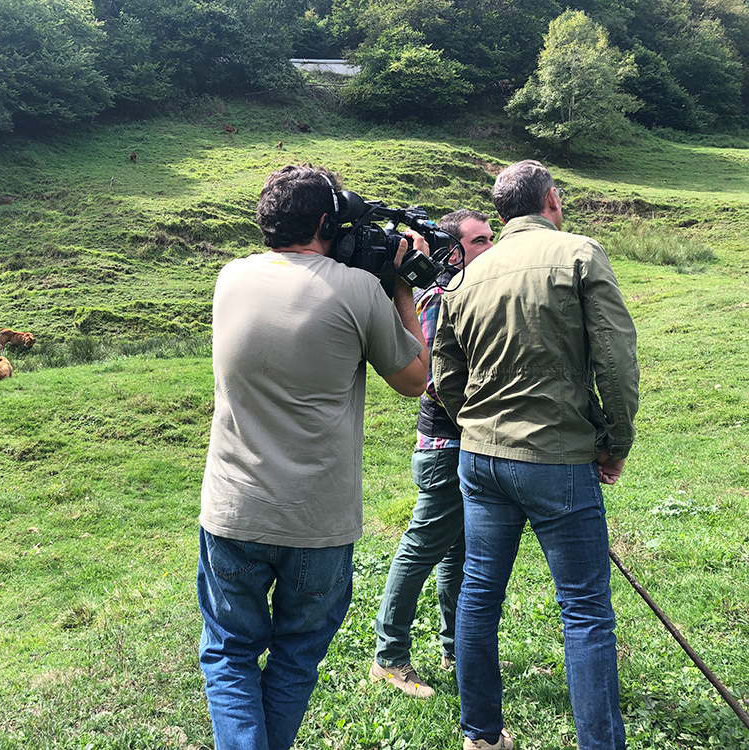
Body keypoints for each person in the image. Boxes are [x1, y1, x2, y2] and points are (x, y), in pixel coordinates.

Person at [198, 164, 431, 750]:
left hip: (234, 508)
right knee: (297, 656)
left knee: (229, 653)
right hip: (318, 520)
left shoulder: (231, 278)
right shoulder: (357, 291)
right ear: (328, 223)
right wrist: (398, 284)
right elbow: (416, 379)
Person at [433, 160, 639, 750]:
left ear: (500, 212)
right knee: (585, 612)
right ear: (550, 198)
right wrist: (614, 441)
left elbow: (445, 372)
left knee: (479, 595)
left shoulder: (467, 276)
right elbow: (616, 362)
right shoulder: (579, 253)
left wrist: (473, 421)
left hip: (480, 459)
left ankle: (482, 737)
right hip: (557, 461)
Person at [369, 209, 494, 699]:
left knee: (455, 555)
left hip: (460, 443)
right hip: (447, 446)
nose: (491, 247)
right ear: (452, 251)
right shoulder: (442, 298)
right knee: (422, 548)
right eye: (480, 241)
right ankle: (389, 656)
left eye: (492, 238)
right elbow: (436, 381)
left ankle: (454, 647)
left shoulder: (468, 293)